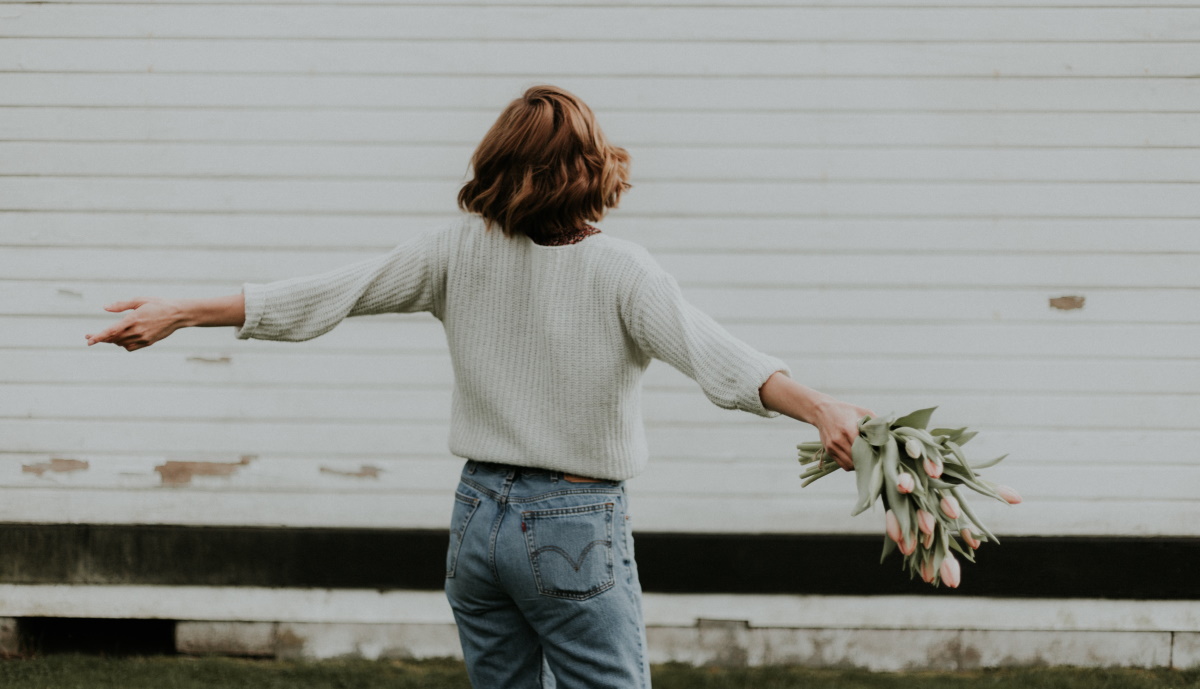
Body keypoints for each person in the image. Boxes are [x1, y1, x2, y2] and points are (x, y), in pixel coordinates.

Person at [85, 85, 873, 688]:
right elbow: (723, 360)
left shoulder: (456, 250)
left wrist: (184, 310)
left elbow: (327, 294)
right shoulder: (622, 271)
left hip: (477, 520)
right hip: (572, 524)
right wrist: (820, 406)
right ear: (593, 168)